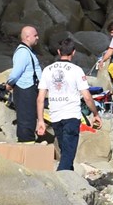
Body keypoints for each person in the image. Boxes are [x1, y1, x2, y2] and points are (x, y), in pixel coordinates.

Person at [36, 39, 101, 171]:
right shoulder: (76, 70)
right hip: (71, 115)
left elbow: (40, 99)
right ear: (74, 52)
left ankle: (70, 181)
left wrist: (41, 120)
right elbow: (87, 97)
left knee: (65, 151)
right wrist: (95, 113)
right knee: (68, 153)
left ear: (59, 52)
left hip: (55, 115)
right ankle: (62, 178)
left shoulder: (47, 70)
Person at [6, 25, 43, 142]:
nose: (37, 38)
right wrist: (9, 83)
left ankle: (28, 142)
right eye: (35, 35)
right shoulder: (22, 52)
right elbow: (16, 72)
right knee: (26, 118)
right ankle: (26, 145)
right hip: (24, 89)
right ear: (27, 37)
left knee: (30, 117)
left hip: (30, 89)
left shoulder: (28, 51)